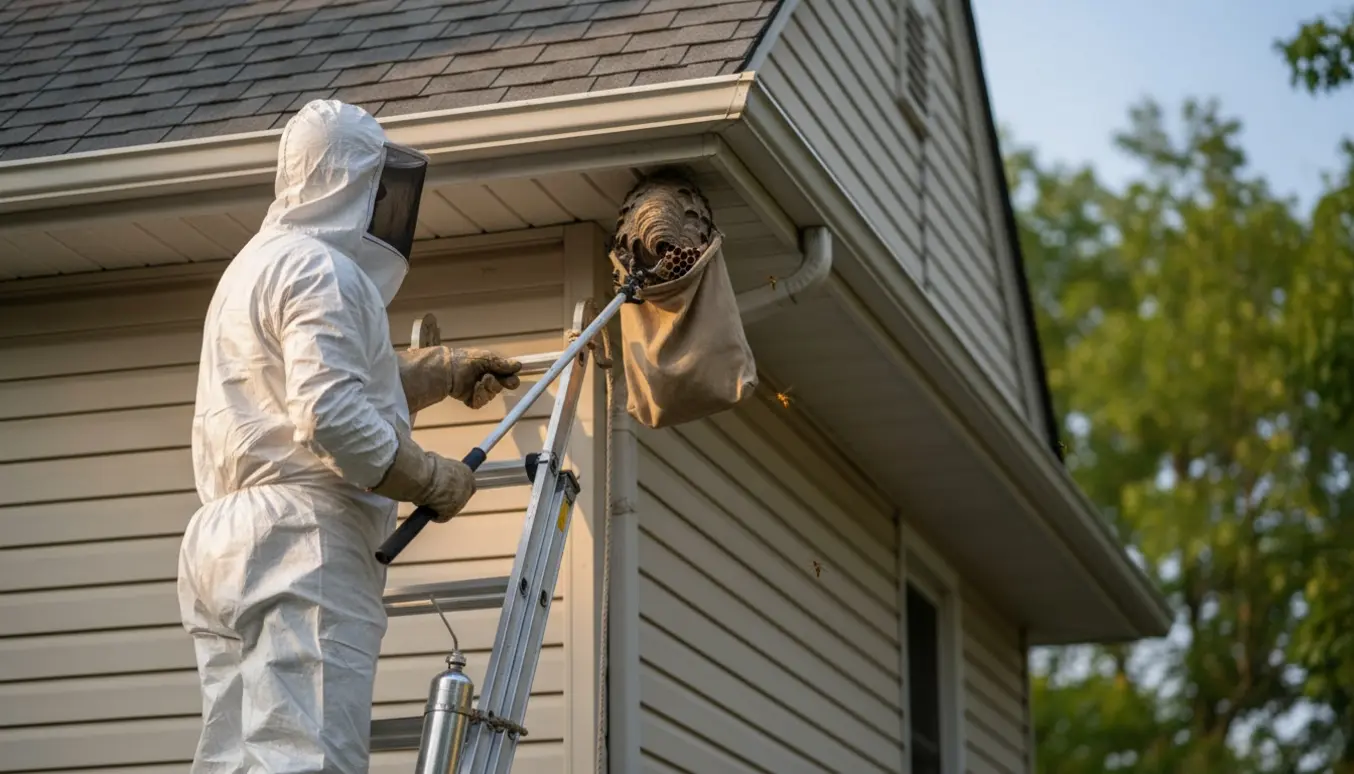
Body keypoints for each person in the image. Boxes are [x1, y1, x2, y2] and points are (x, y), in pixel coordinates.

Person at [176, 99, 522, 774]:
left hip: (222, 545)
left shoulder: (253, 268)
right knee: (309, 761)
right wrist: (429, 477)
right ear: (356, 181)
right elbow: (330, 416)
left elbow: (301, 386)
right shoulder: (320, 270)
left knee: (235, 762)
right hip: (302, 542)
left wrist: (439, 374)